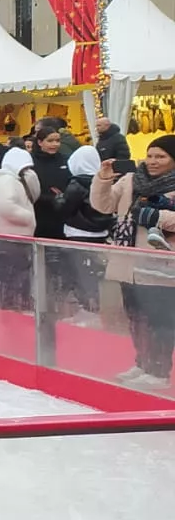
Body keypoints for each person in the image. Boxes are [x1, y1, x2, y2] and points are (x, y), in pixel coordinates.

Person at [91, 134, 175, 389]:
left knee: (160, 320)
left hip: (161, 266)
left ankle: (159, 371)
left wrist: (155, 216)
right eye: (150, 155)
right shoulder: (130, 180)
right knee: (136, 316)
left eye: (160, 156)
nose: (153, 161)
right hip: (128, 263)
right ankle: (143, 363)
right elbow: (102, 205)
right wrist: (104, 178)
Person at [57, 147, 114, 324]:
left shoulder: (76, 183)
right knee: (93, 272)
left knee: (79, 272)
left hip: (78, 232)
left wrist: (58, 199)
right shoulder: (104, 182)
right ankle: (93, 308)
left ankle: (87, 310)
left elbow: (64, 208)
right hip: (100, 233)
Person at [0, 147, 42, 312]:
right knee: (12, 275)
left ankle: (15, 304)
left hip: (16, 236)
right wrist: (28, 218)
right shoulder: (6, 181)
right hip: (10, 236)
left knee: (16, 274)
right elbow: (7, 206)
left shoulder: (15, 181)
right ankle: (11, 306)